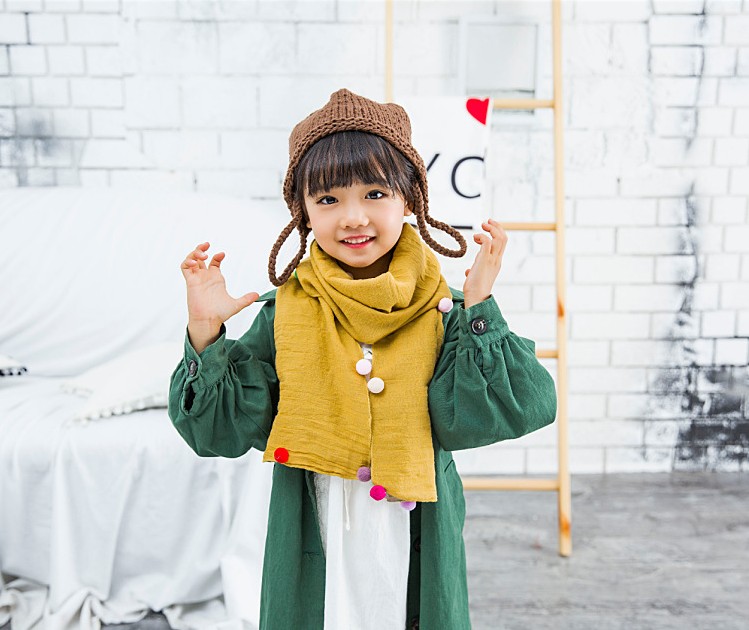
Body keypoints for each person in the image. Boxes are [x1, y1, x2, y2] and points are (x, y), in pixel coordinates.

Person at [168, 88, 557, 630]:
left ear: (410, 199)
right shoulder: (284, 312)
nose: (353, 218)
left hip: (414, 527)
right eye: (328, 200)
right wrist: (206, 331)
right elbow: (219, 433)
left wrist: (479, 310)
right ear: (303, 213)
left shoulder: (444, 308)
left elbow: (509, 410)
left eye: (375, 193)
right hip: (316, 518)